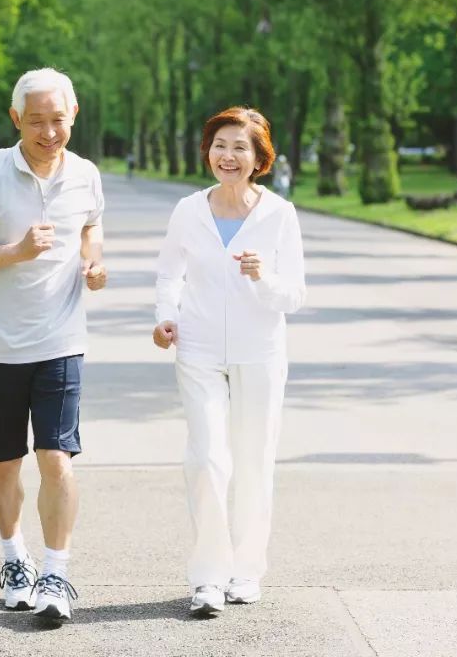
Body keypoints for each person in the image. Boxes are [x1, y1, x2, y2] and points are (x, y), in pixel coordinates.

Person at [0, 68, 107, 621]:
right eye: (36, 120)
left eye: (57, 119)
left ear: (73, 116)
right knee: (4, 463)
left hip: (61, 340)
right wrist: (14, 252)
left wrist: (94, 262)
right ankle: (16, 558)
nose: (48, 131)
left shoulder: (85, 175)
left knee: (57, 457)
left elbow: (91, 227)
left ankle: (57, 573)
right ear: (17, 119)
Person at [152, 106, 306, 617]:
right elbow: (169, 274)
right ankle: (208, 577)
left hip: (259, 352)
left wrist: (263, 277)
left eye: (240, 147)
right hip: (196, 349)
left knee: (253, 459)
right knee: (206, 459)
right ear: (208, 151)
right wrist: (165, 316)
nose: (228, 156)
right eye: (220, 145)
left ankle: (246, 571)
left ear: (259, 157)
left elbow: (294, 296)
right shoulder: (189, 210)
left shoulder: (278, 214)